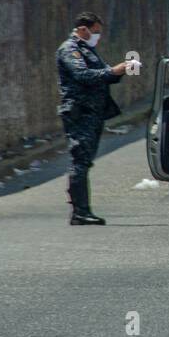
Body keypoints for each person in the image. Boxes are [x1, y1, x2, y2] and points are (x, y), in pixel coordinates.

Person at [56, 12, 130, 225]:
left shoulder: (87, 49)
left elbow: (102, 74)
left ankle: (81, 210)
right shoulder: (70, 49)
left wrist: (119, 71)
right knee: (80, 159)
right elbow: (82, 75)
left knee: (85, 160)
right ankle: (80, 212)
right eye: (95, 31)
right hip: (80, 112)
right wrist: (113, 71)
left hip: (92, 112)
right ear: (82, 29)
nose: (97, 36)